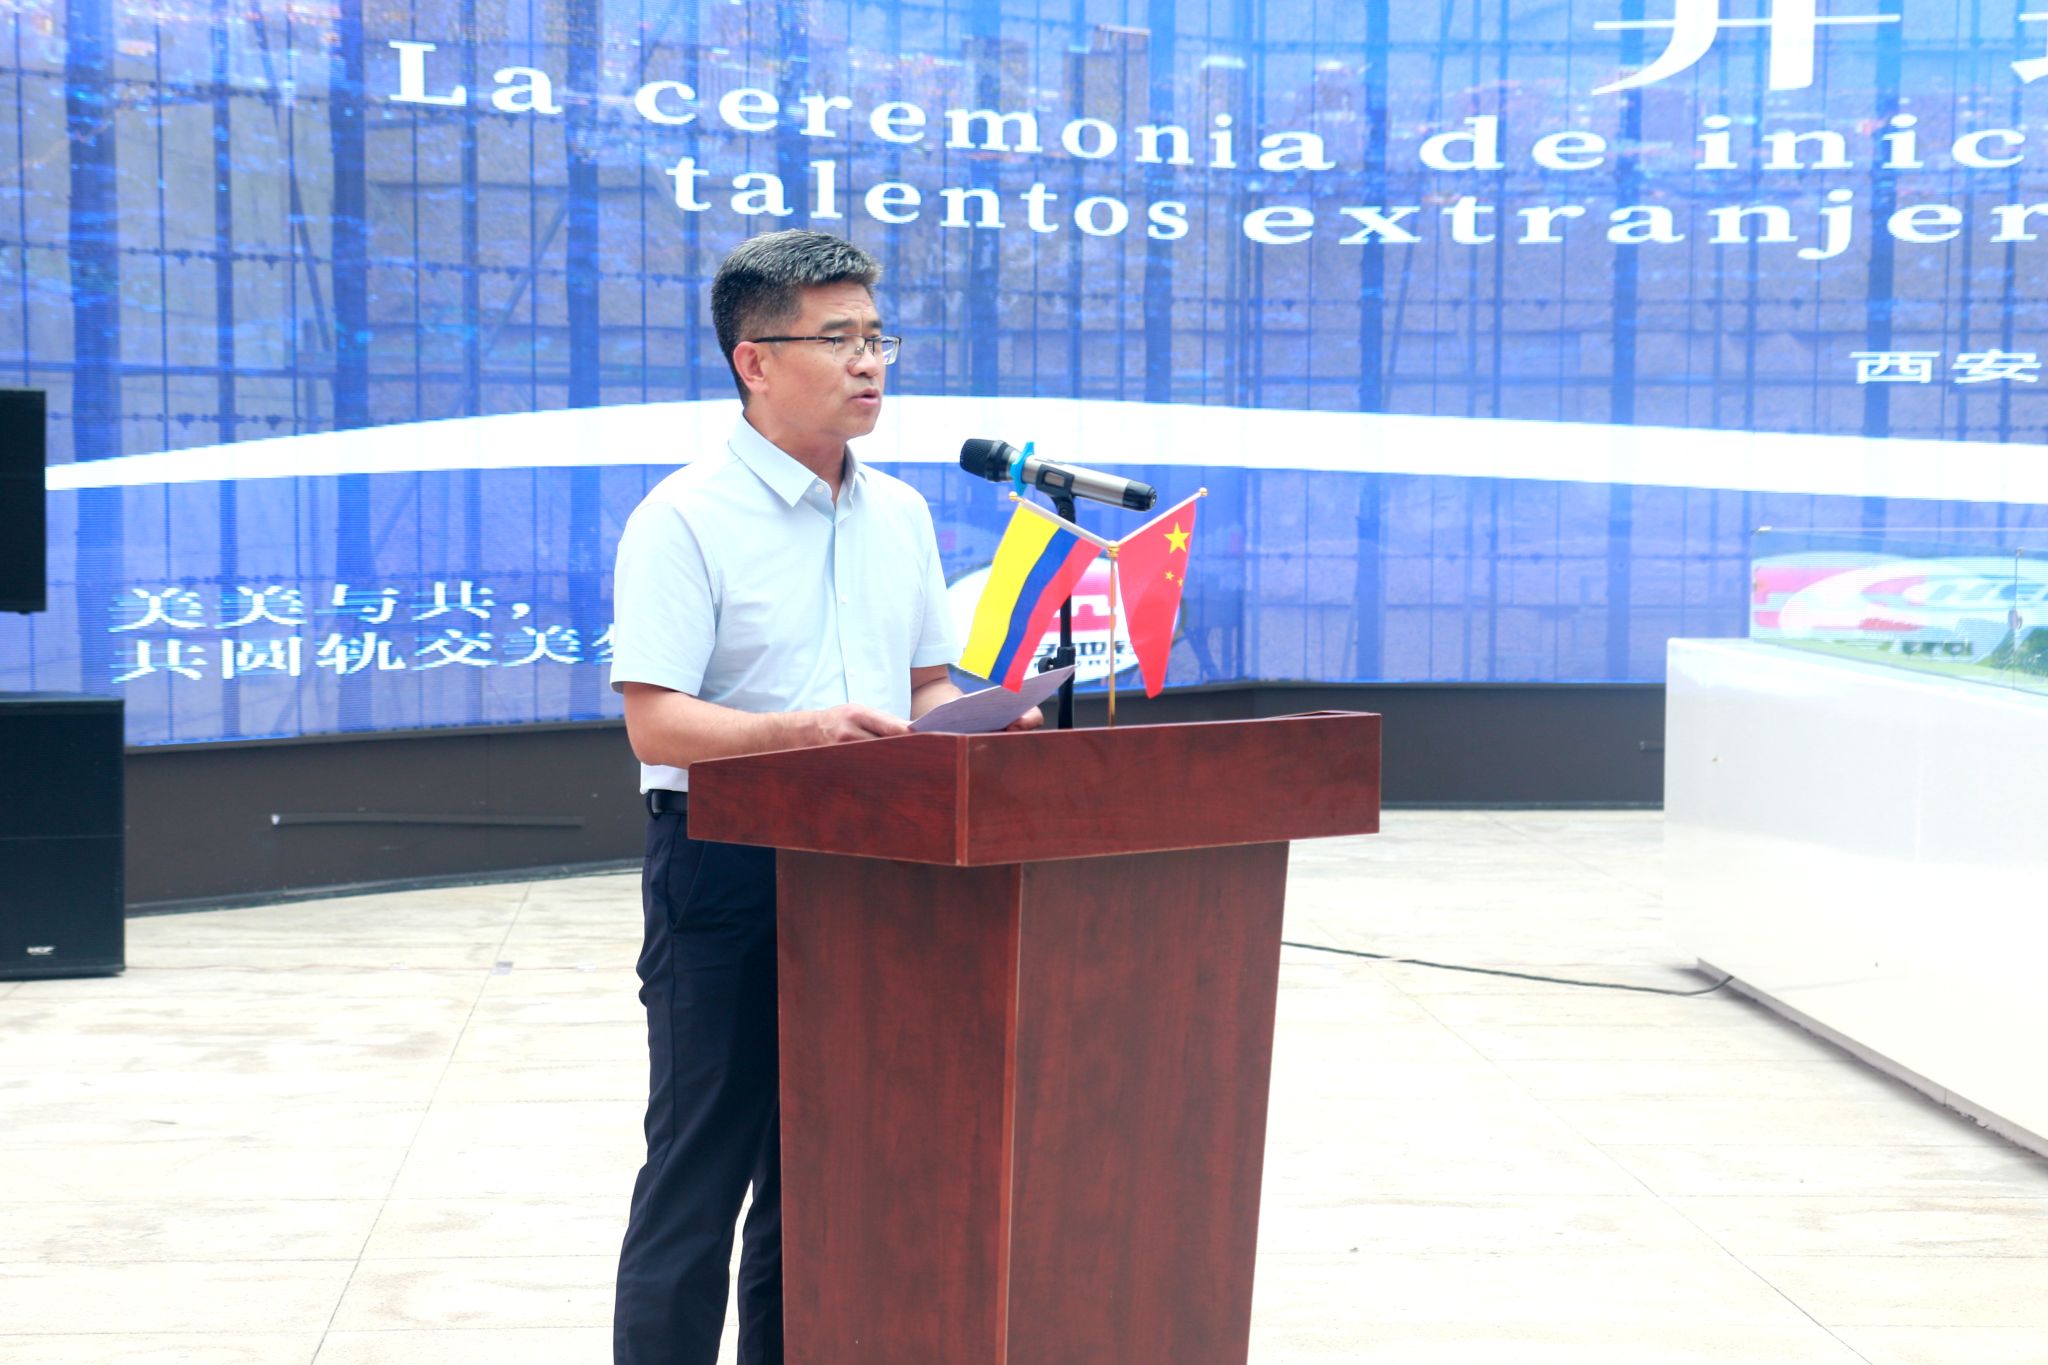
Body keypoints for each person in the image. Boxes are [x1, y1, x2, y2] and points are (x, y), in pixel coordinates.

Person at [606, 229, 1040, 1365]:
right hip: (725, 864)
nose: (868, 362)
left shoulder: (899, 513)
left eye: (877, 337)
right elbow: (656, 723)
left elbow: (922, 682)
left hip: (874, 865)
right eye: (837, 338)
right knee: (699, 1174)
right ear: (753, 361)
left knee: (820, 1174)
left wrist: (981, 714)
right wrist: (792, 734)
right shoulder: (684, 517)